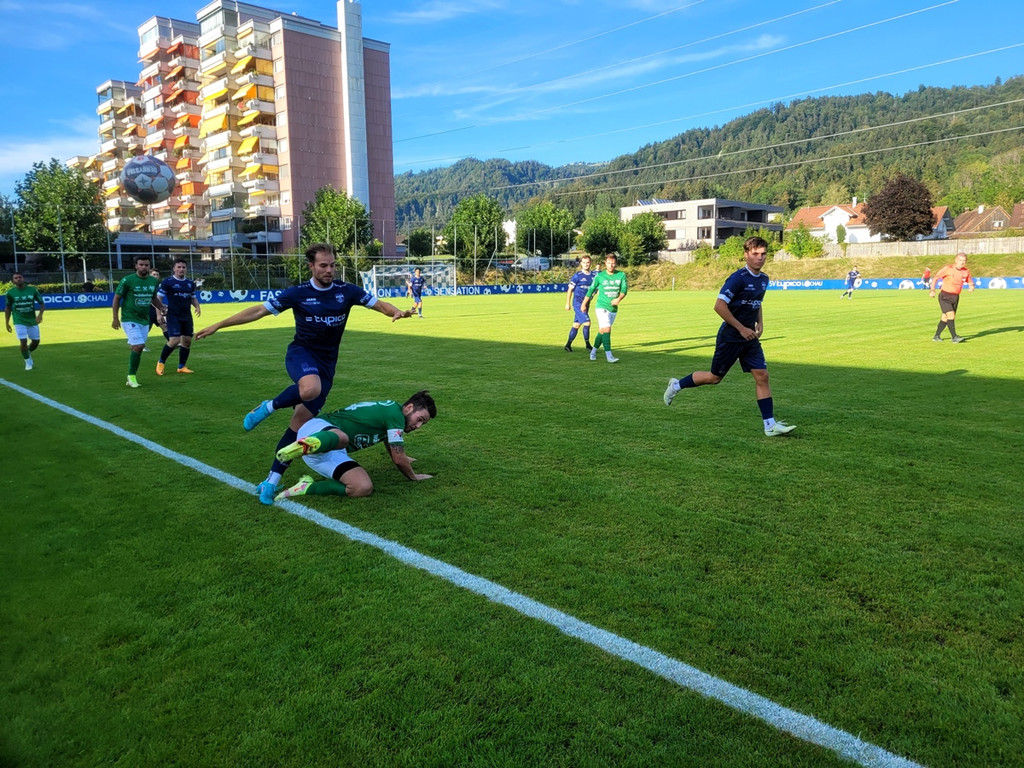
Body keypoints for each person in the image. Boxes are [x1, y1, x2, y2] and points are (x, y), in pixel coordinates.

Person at [195, 243, 414, 504]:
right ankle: (267, 407)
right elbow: (257, 311)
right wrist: (219, 324)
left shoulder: (346, 291)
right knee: (311, 388)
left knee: (298, 426)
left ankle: (271, 481)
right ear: (311, 266)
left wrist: (396, 312)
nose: (329, 270)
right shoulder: (298, 293)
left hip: (327, 365)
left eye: (332, 265)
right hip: (301, 355)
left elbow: (378, 304)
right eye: (323, 265)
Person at [663, 236, 796, 437]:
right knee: (714, 378)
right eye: (755, 254)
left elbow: (757, 302)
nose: (760, 258)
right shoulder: (737, 278)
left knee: (762, 375)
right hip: (731, 336)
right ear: (746, 255)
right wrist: (741, 328)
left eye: (763, 254)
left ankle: (769, 425)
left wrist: (760, 322)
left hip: (750, 337)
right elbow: (719, 306)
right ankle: (676, 385)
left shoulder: (764, 279)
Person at [274, 390, 436, 501]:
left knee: (362, 487)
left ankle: (306, 487)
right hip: (319, 429)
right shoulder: (395, 415)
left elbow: (390, 440)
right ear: (409, 408)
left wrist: (403, 456)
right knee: (342, 437)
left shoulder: (392, 413)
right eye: (420, 419)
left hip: (328, 452)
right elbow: (398, 459)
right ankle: (305, 443)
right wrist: (413, 477)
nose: (418, 426)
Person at [112, 256, 165, 388]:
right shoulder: (128, 280)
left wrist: (162, 308)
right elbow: (117, 299)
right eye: (141, 265)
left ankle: (131, 375)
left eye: (146, 265)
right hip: (129, 318)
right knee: (139, 345)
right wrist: (115, 318)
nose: (144, 267)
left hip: (144, 320)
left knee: (137, 348)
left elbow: (153, 298)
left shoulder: (153, 281)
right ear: (136, 266)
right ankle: (131, 377)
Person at [156, 258, 201, 375]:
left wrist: (197, 306)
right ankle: (161, 363)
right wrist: (158, 313)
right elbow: (158, 298)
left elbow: (192, 297)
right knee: (174, 341)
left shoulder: (190, 283)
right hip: (173, 316)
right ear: (174, 269)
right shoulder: (167, 282)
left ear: (186, 269)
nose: (181, 269)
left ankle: (181, 366)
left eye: (183, 267)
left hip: (186, 316)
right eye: (179, 267)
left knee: (186, 342)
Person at [581, 253, 627, 363]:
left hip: (613, 309)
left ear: (616, 264)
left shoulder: (621, 275)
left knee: (602, 331)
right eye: (609, 263)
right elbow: (591, 290)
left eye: (613, 263)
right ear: (605, 263)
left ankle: (593, 352)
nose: (611, 265)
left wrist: (618, 299)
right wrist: (584, 304)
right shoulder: (600, 276)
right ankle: (609, 356)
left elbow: (624, 290)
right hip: (601, 307)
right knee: (607, 329)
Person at [930, 252, 974, 343]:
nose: (962, 262)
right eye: (960, 260)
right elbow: (936, 278)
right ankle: (954, 337)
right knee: (951, 315)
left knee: (945, 317)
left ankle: (936, 336)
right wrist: (932, 290)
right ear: (955, 260)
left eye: (964, 261)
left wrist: (971, 286)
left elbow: (969, 281)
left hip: (955, 297)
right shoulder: (948, 269)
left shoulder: (965, 271)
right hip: (945, 296)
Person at [4, 272, 44, 370]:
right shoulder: (10, 293)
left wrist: (40, 315)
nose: (18, 279)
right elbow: (8, 308)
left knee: (36, 341)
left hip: (31, 320)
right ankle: (28, 362)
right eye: (16, 278)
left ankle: (27, 351)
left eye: (20, 277)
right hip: (19, 320)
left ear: (23, 278)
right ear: (13, 281)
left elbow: (42, 303)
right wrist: (7, 323)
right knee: (23, 341)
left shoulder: (32, 290)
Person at [563, 254, 594, 352]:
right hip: (578, 303)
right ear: (581, 264)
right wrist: (567, 303)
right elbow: (570, 290)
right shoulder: (577, 276)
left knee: (576, 324)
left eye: (588, 262)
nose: (586, 264)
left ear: (590, 263)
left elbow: (594, 289)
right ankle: (588, 345)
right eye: (584, 263)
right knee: (587, 323)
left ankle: (568, 345)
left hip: (586, 303)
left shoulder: (593, 276)